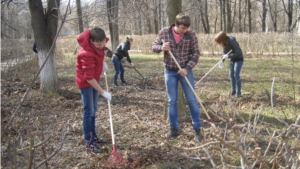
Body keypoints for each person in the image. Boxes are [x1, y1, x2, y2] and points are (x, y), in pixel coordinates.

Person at [152, 13, 202, 141]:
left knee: (191, 99)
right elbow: (154, 46)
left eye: (186, 28)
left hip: (185, 71)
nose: (185, 31)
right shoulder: (164, 32)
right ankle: (173, 128)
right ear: (176, 25)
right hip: (170, 71)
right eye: (182, 28)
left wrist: (187, 68)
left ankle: (197, 129)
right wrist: (161, 47)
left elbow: (196, 53)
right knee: (172, 101)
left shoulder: (191, 34)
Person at [75, 27, 112, 154]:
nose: (101, 46)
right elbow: (89, 78)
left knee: (93, 110)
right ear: (91, 41)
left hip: (94, 81)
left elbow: (99, 57)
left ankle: (94, 137)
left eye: (103, 42)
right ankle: (88, 142)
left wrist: (102, 64)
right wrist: (103, 92)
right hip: (86, 84)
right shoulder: (86, 53)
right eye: (98, 43)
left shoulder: (99, 47)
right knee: (88, 112)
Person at [214, 31, 244, 98]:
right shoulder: (224, 43)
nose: (219, 43)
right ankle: (233, 91)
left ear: (222, 38)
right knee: (231, 75)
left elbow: (238, 53)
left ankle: (238, 92)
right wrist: (222, 61)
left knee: (236, 75)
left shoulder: (233, 42)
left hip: (239, 59)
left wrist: (228, 56)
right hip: (233, 60)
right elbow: (224, 53)